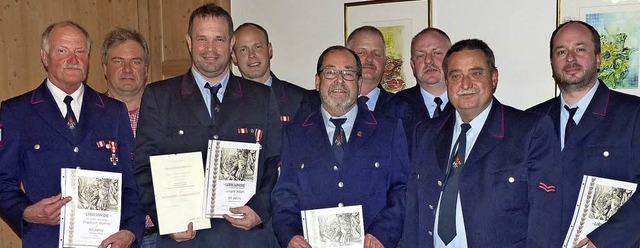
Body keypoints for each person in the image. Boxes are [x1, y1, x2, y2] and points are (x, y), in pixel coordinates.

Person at [133, 3, 281, 247]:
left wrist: (260, 208)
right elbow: (143, 167)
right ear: (189, 42)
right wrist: (167, 219)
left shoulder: (262, 97)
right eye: (202, 39)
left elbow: (276, 160)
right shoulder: (160, 97)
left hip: (247, 237)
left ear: (232, 43)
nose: (210, 49)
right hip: (185, 239)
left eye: (219, 39)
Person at [402, 39, 562, 247]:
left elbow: (546, 218)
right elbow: (414, 212)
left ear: (494, 78)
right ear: (448, 82)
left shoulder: (530, 131)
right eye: (456, 75)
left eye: (476, 73)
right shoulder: (426, 133)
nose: (465, 84)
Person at [0, 21, 144, 247]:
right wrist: (27, 212)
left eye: (80, 51)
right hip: (46, 240)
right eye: (62, 51)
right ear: (45, 57)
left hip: (107, 242)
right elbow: (3, 182)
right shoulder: (17, 112)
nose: (73, 59)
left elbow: (133, 183)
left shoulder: (113, 112)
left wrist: (129, 231)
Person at [272, 45, 409, 248]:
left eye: (348, 73)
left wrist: (382, 234)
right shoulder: (295, 134)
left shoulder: (388, 130)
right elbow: (284, 195)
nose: (339, 80)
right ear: (317, 82)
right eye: (330, 72)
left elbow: (402, 189)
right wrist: (290, 236)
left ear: (359, 82)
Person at [527, 20, 640, 247]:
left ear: (598, 59)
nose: (570, 58)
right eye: (561, 51)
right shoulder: (530, 121)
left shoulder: (634, 114)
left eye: (580, 49)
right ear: (552, 63)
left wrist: (605, 240)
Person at [101, 27, 158, 247]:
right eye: (118, 61)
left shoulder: (169, 115)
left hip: (167, 237)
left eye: (135, 61)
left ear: (146, 68)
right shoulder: (87, 120)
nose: (127, 69)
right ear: (105, 68)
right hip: (114, 239)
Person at [231, 22, 305, 123]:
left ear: (269, 50)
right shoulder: (224, 101)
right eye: (243, 49)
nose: (251, 55)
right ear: (234, 57)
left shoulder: (301, 100)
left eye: (257, 47)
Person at [396, 28, 454, 119]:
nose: (428, 60)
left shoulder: (470, 102)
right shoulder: (394, 107)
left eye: (437, 53)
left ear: (452, 59)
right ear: (413, 66)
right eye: (420, 56)